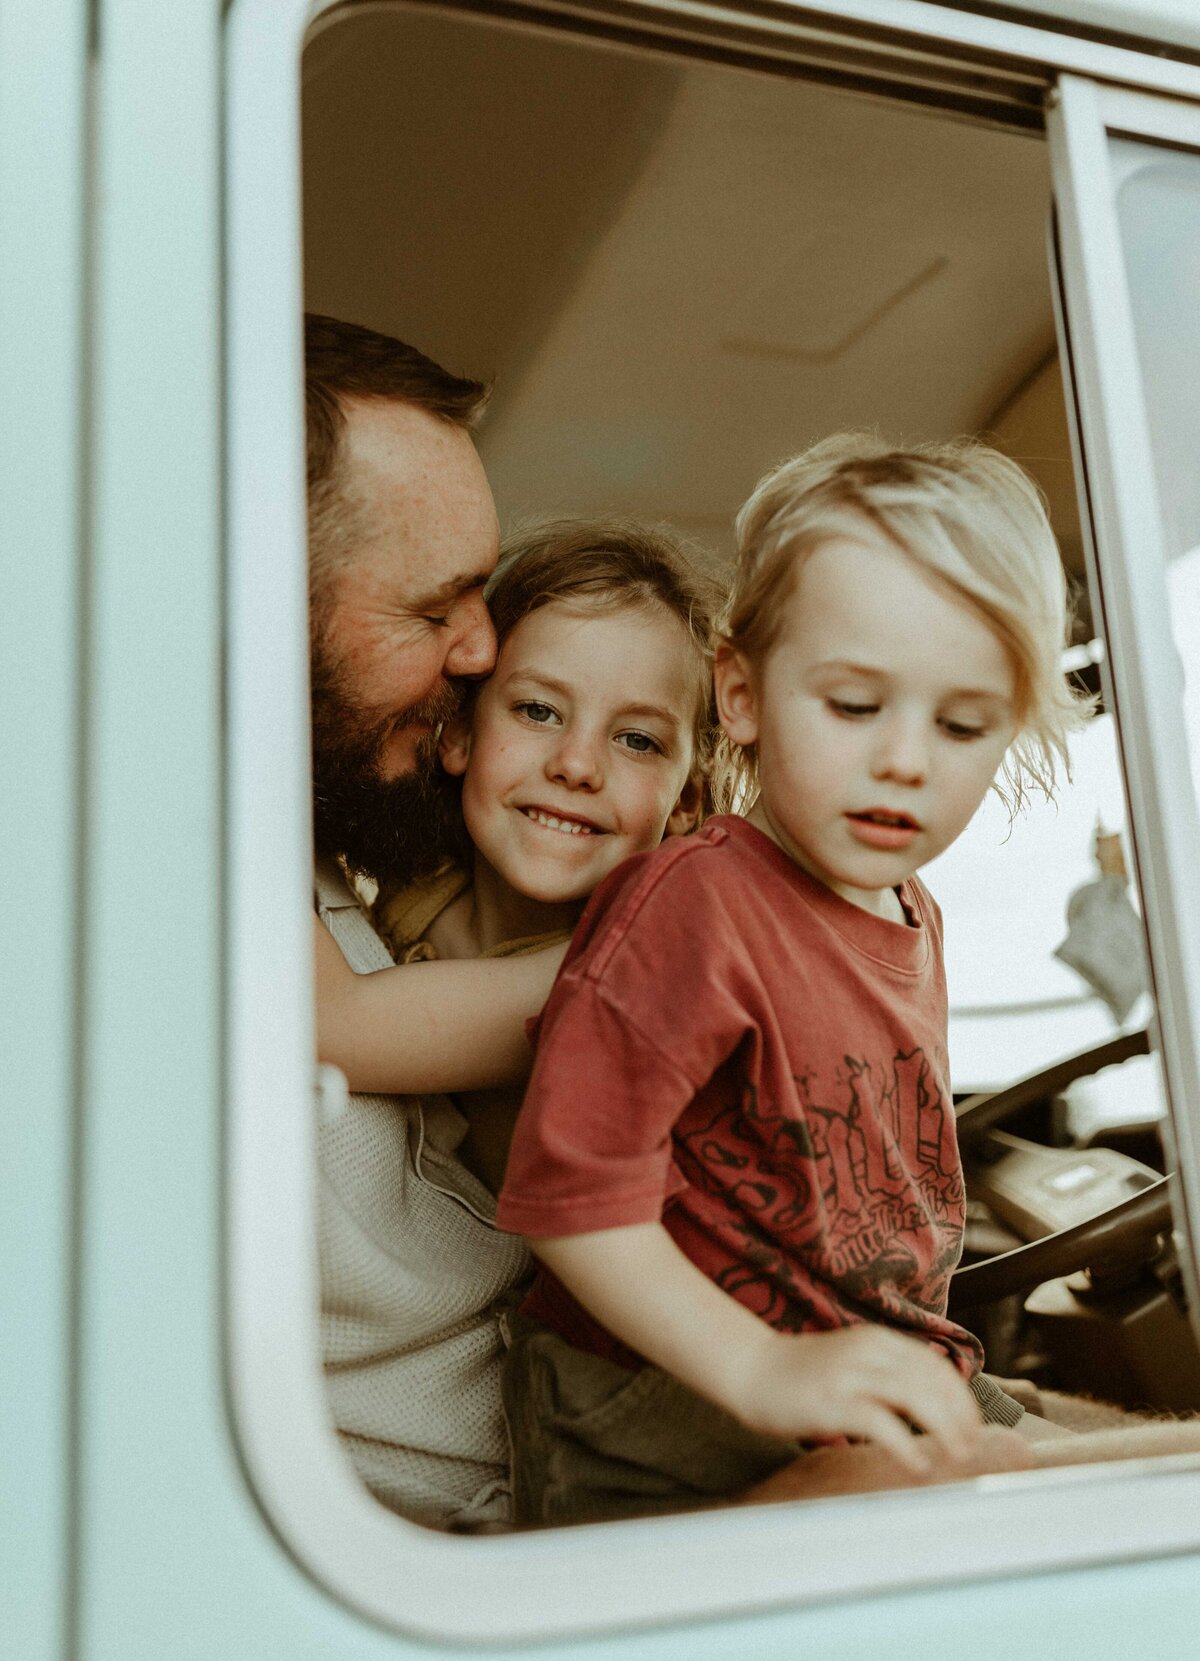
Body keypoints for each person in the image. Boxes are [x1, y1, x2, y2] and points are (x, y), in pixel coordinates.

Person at [494, 433, 1094, 1526]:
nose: (906, 759)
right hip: (675, 1415)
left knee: (1126, 1468)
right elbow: (567, 1198)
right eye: (856, 707)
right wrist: (767, 1372)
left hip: (853, 1372)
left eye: (961, 725)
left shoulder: (913, 915)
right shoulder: (695, 904)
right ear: (743, 695)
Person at [307, 312, 568, 1529]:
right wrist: (702, 950)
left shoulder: (318, 859)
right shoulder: (144, 853)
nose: (484, 649)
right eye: (434, 609)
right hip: (491, 1542)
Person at [316, 516, 731, 1196]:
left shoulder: (614, 968)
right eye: (538, 711)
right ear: (457, 735)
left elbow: (331, 1027)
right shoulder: (420, 882)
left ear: (686, 799)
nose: (576, 764)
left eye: (637, 741)